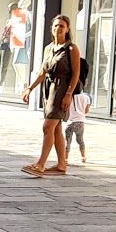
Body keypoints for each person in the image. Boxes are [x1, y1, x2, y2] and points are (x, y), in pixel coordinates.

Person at [21, 13, 80, 176]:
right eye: (55, 25)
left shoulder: (71, 48)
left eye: (62, 26)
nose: (58, 28)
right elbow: (42, 71)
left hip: (61, 90)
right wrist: (30, 88)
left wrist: (68, 94)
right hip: (48, 89)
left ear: (67, 29)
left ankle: (40, 164)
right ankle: (61, 164)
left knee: (47, 127)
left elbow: (75, 74)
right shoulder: (48, 48)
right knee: (56, 128)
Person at [65, 82, 91, 164]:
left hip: (70, 121)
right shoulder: (86, 97)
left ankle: (65, 159)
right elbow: (86, 111)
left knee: (67, 141)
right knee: (80, 140)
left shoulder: (69, 96)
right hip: (80, 122)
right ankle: (83, 157)